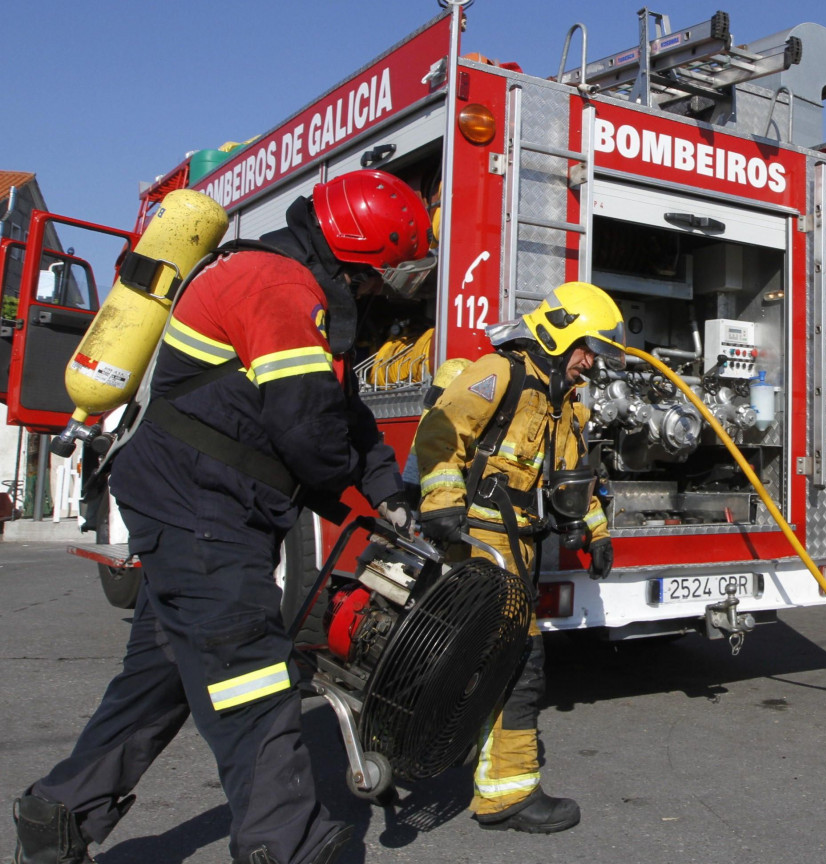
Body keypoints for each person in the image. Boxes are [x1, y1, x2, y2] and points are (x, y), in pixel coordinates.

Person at [11, 169, 432, 864]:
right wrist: (344, 491)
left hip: (202, 504)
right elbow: (307, 431)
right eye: (382, 274)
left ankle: (56, 816)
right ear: (353, 256)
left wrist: (389, 492)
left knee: (163, 674)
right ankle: (287, 846)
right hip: (200, 508)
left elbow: (345, 414)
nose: (383, 290)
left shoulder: (305, 295)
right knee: (250, 670)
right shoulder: (276, 287)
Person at [414, 281, 624, 834]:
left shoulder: (563, 401)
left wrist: (596, 532)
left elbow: (577, 477)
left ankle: (459, 757)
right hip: (483, 542)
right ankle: (508, 791)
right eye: (588, 350)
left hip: (521, 544)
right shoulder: (501, 374)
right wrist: (441, 500)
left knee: (486, 660)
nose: (590, 365)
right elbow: (441, 430)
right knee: (515, 664)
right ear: (561, 336)